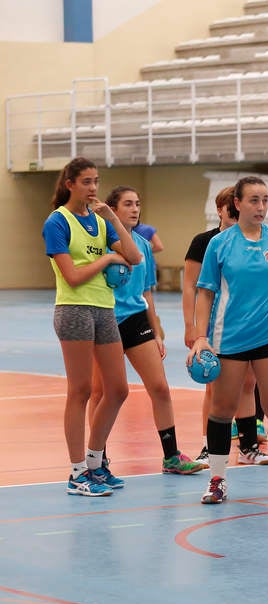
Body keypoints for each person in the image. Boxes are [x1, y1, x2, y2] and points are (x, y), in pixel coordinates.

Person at [187, 176, 268, 505]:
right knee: (222, 409)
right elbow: (205, 292)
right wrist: (200, 336)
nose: (261, 207)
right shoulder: (220, 244)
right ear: (237, 204)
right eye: (254, 200)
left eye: (265, 200)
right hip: (228, 339)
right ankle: (217, 481)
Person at [41, 157, 142, 496]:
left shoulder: (100, 221)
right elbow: (72, 276)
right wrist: (107, 258)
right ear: (69, 184)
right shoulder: (57, 222)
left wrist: (111, 217)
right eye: (86, 181)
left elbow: (135, 256)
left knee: (118, 389)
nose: (93, 188)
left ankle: (95, 462)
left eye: (96, 181)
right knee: (81, 391)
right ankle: (76, 473)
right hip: (74, 310)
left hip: (104, 309)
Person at [88, 186, 205, 475]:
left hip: (136, 321)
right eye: (128, 204)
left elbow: (146, 292)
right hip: (105, 321)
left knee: (160, 388)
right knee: (101, 393)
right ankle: (98, 457)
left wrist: (156, 331)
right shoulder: (100, 242)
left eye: (137, 204)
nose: (135, 209)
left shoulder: (143, 245)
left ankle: (171, 456)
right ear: (112, 210)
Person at [182, 186, 268, 468]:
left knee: (248, 383)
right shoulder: (206, 242)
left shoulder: (254, 239)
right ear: (220, 210)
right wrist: (191, 326)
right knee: (215, 387)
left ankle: (248, 447)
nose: (236, 216)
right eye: (231, 211)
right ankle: (208, 446)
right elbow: (191, 286)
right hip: (215, 323)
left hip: (247, 322)